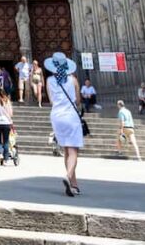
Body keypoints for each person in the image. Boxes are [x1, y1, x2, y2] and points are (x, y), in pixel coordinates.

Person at [45, 51, 82, 196]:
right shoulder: (72, 80)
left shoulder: (49, 81)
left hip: (56, 116)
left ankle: (74, 185)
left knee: (67, 150)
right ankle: (68, 176)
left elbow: (52, 100)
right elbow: (78, 101)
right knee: (73, 151)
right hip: (70, 117)